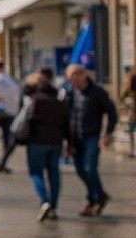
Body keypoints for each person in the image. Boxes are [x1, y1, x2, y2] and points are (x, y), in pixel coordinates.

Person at [63, 64, 119, 216]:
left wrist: (108, 133)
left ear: (83, 75)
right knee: (80, 170)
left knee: (89, 168)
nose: (71, 81)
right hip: (75, 138)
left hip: (91, 136)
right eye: (69, 78)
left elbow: (112, 112)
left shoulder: (97, 92)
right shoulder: (70, 94)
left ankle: (92, 199)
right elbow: (65, 117)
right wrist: (65, 140)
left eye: (73, 76)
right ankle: (98, 196)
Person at [18, 68, 69, 221]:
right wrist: (69, 142)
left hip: (36, 141)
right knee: (54, 173)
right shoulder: (59, 98)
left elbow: (26, 113)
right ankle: (54, 207)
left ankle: (44, 201)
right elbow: (67, 123)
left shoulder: (33, 98)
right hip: (55, 142)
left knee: (36, 172)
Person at [0, 59, 23, 173]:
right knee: (7, 135)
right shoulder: (7, 78)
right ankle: (3, 159)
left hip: (3, 109)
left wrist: (1, 100)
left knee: (5, 132)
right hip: (10, 110)